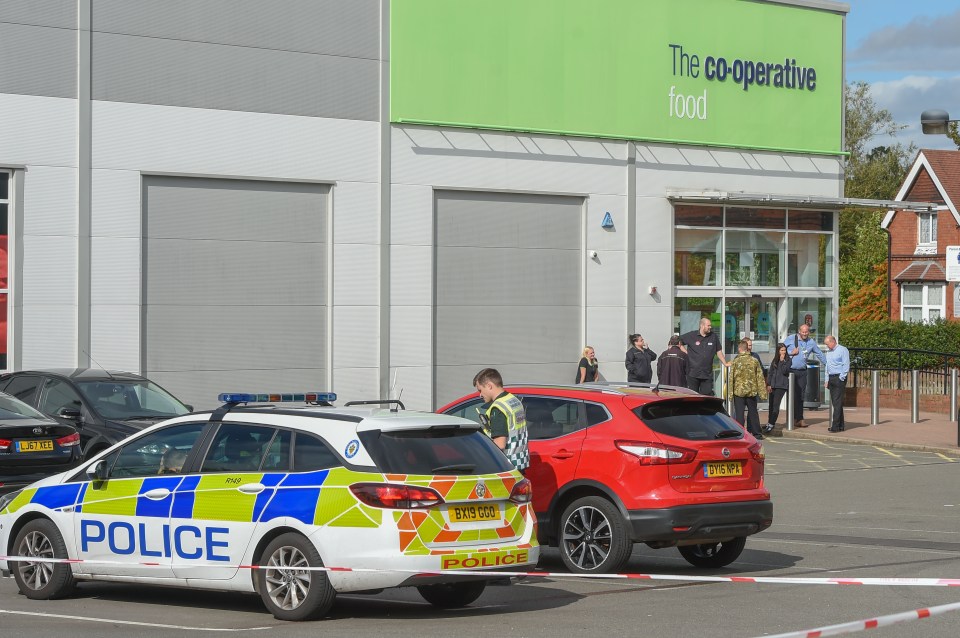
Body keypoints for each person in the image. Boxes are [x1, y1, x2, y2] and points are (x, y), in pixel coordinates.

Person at [473, 368, 529, 471]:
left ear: (489, 386)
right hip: (520, 462)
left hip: (506, 465)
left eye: (480, 390)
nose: (480, 395)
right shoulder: (513, 400)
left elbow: (500, 444)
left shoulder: (498, 408)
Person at [782, 323, 826, 428]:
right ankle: (792, 418)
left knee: (800, 396)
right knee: (792, 395)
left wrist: (828, 365)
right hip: (791, 371)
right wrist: (791, 353)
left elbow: (819, 353)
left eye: (806, 332)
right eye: (803, 331)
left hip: (802, 371)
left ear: (808, 332)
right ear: (799, 331)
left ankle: (800, 419)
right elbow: (780, 351)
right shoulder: (790, 339)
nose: (805, 333)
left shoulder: (811, 342)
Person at [726, 340, 768, 438]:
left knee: (740, 414)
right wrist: (763, 393)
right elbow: (760, 377)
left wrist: (730, 393)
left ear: (740, 349)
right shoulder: (754, 360)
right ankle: (757, 433)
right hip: (751, 391)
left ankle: (739, 433)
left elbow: (731, 378)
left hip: (739, 392)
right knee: (753, 412)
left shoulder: (736, 361)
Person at [680, 317, 729, 395]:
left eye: (710, 326)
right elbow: (679, 341)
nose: (710, 327)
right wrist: (685, 352)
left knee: (706, 395)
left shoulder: (713, 337)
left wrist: (725, 363)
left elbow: (718, 351)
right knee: (693, 396)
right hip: (693, 373)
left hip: (707, 373)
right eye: (708, 325)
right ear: (702, 326)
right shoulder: (691, 335)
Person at [824, 335, 850, 432]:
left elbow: (846, 364)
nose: (827, 346)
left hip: (839, 377)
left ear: (832, 341)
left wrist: (841, 377)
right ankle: (840, 426)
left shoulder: (843, 350)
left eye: (827, 344)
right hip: (831, 377)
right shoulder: (829, 352)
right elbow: (827, 366)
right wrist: (827, 380)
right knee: (836, 403)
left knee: (837, 402)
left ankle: (835, 426)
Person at [763, 343, 791, 433]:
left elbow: (785, 371)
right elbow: (770, 373)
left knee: (776, 405)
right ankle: (769, 422)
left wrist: (782, 361)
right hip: (773, 385)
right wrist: (768, 384)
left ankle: (771, 423)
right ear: (778, 351)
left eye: (784, 350)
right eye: (781, 350)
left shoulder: (788, 360)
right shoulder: (775, 360)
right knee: (771, 405)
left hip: (781, 386)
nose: (783, 352)